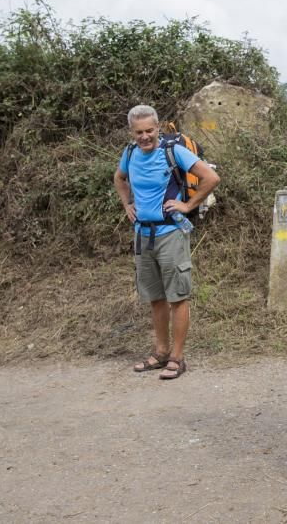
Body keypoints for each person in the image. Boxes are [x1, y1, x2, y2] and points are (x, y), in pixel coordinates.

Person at [113, 105, 219, 381]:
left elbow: (211, 177)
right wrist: (127, 204)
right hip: (143, 235)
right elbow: (119, 178)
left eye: (149, 130)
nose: (145, 137)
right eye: (139, 132)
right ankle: (160, 353)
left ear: (158, 128)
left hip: (171, 233)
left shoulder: (173, 152)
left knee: (177, 298)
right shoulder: (130, 153)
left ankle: (177, 358)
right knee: (156, 298)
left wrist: (188, 204)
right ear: (132, 133)